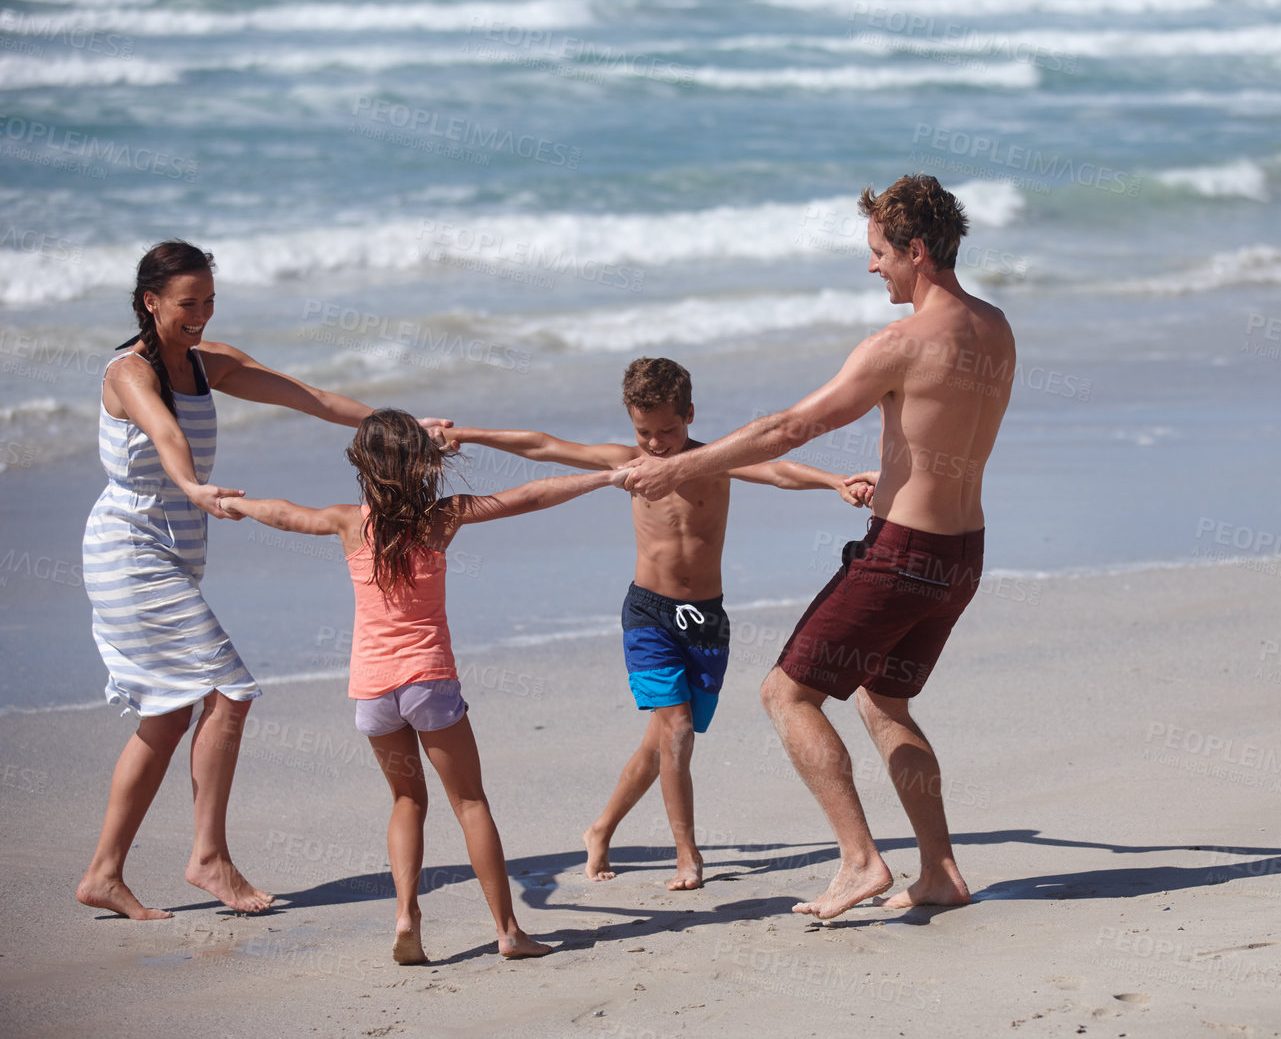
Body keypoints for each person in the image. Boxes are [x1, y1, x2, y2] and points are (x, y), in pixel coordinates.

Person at [620, 175, 1014, 919]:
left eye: (879, 254)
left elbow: (787, 429)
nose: (873, 268)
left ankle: (861, 862)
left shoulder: (897, 343)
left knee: (786, 693)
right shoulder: (996, 326)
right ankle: (940, 872)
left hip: (901, 551)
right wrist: (893, 472)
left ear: (917, 251)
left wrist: (678, 466)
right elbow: (941, 430)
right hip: (962, 551)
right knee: (884, 697)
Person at [76, 240, 451, 921]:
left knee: (165, 717)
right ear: (150, 301)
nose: (202, 315)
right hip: (129, 551)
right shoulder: (128, 373)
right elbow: (164, 433)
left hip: (177, 546)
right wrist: (192, 486)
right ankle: (209, 858)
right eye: (188, 304)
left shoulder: (206, 363)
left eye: (210, 301)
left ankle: (103, 873)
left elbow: (310, 398)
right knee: (229, 689)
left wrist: (403, 429)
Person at [439, 357, 867, 890]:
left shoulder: (713, 460)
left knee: (660, 742)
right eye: (645, 432)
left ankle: (600, 829)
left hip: (706, 621)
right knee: (678, 732)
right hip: (649, 615)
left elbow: (777, 468)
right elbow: (542, 445)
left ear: (689, 414)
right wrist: (468, 435)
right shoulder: (629, 463)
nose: (657, 444)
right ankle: (687, 855)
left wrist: (833, 482)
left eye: (668, 430)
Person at [220, 408, 622, 962]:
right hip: (428, 683)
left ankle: (407, 913)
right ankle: (508, 932)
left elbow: (285, 515)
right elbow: (531, 495)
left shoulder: (347, 522)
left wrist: (227, 502)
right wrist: (605, 476)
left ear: (363, 465)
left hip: (371, 690)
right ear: (422, 464)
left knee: (407, 800)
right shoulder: (442, 518)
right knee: (470, 802)